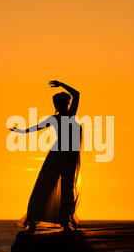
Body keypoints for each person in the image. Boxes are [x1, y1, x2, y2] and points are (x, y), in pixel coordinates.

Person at [10, 80, 82, 232]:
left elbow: (76, 94)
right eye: (56, 103)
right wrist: (21, 132)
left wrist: (62, 84)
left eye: (58, 103)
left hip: (67, 157)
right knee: (45, 186)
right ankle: (33, 220)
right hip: (57, 156)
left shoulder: (69, 115)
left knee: (66, 189)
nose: (57, 106)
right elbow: (36, 128)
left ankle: (64, 221)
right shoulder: (56, 118)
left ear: (64, 104)